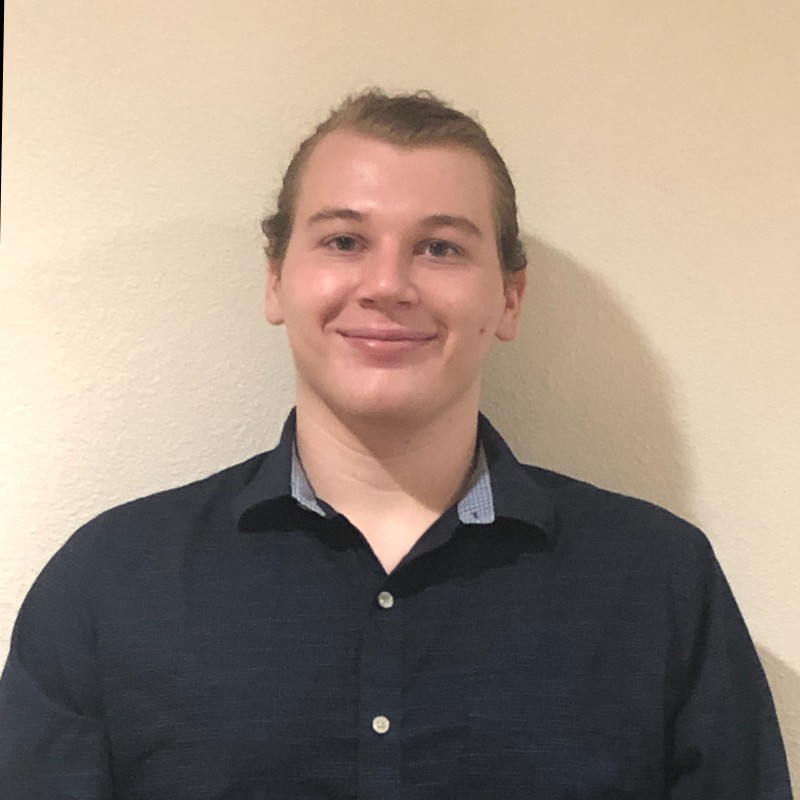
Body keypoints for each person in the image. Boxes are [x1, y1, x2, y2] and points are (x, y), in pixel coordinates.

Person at [0, 90, 792, 799]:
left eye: (440, 247)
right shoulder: (108, 583)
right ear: (276, 281)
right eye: (345, 240)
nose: (387, 284)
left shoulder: (660, 583)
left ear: (510, 298)